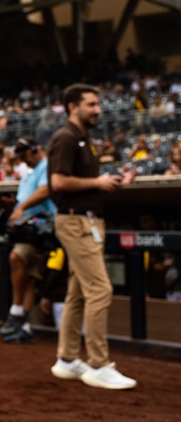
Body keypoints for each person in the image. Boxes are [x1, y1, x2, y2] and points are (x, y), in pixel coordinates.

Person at [48, 83, 137, 390]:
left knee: (79, 292)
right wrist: (98, 182)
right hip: (76, 223)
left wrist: (112, 182)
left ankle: (68, 359)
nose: (98, 109)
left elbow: (87, 183)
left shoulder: (84, 139)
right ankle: (98, 364)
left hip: (86, 222)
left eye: (98, 104)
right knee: (100, 289)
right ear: (73, 106)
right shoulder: (67, 137)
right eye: (91, 104)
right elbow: (58, 182)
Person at [0, 136, 56, 344]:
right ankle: (24, 327)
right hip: (27, 228)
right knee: (30, 279)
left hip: (42, 228)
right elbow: (26, 197)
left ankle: (16, 311)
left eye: (25, 156)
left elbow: (44, 190)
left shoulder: (46, 165)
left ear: (35, 149)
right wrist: (14, 204)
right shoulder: (29, 171)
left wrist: (21, 208)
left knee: (17, 257)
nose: (24, 160)